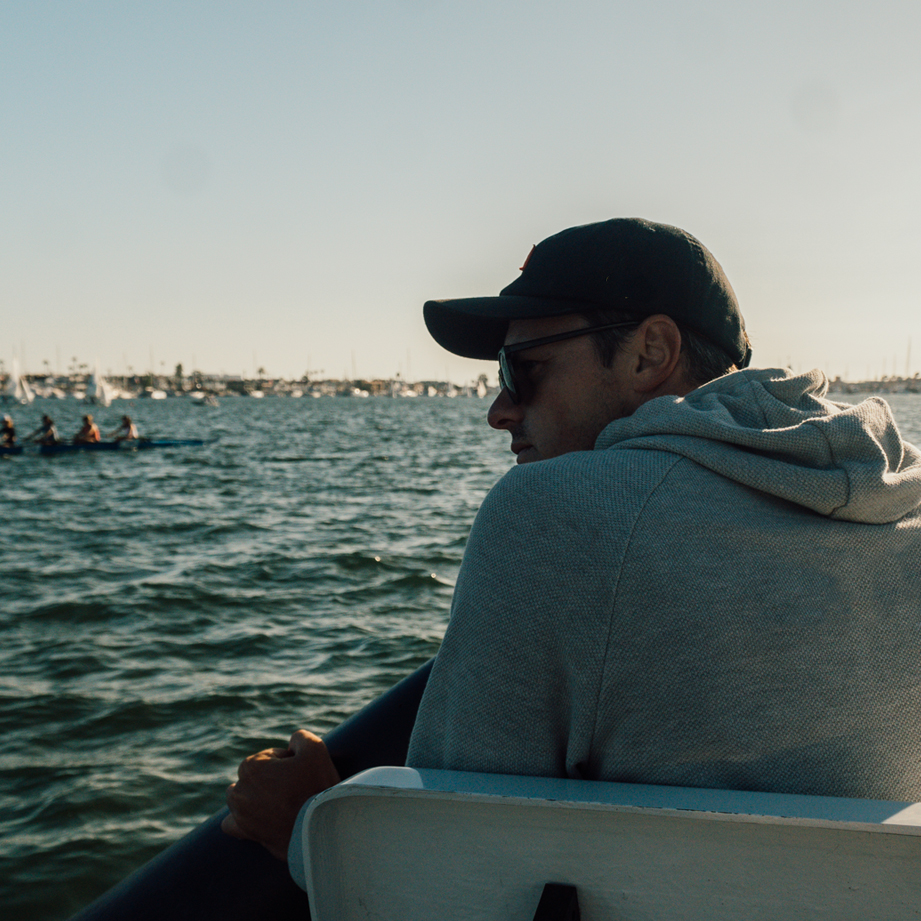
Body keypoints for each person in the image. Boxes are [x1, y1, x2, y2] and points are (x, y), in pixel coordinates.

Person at [222, 218, 921, 887]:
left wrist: (311, 830)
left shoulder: (558, 514)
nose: (499, 408)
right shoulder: (902, 509)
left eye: (522, 368)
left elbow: (447, 880)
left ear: (649, 353)